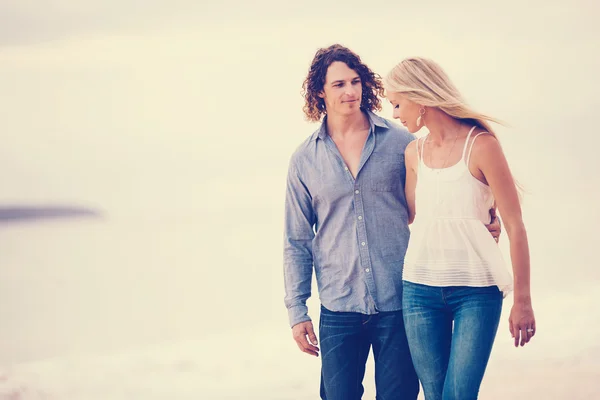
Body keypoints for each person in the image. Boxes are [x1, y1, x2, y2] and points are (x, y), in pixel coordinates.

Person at [283, 45, 500, 399]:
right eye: (338, 84)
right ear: (319, 91)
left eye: (355, 82)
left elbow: (445, 193)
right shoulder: (305, 159)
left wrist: (486, 221)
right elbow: (296, 240)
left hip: (400, 301)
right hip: (339, 307)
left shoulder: (402, 143)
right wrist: (297, 311)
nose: (350, 92)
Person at [383, 57, 536, 400]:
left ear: (418, 97)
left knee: (458, 395)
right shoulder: (413, 152)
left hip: (476, 292)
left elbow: (515, 224)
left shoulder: (481, 146)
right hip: (419, 290)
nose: (394, 114)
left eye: (396, 103)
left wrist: (523, 300)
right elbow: (408, 215)